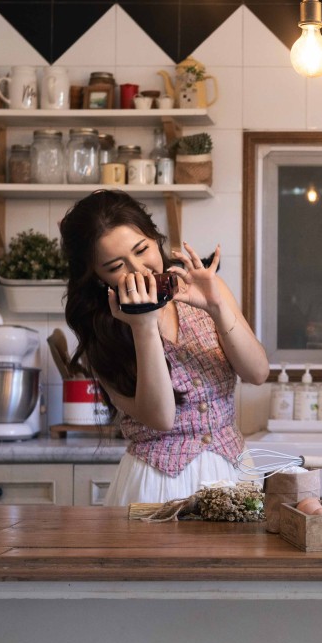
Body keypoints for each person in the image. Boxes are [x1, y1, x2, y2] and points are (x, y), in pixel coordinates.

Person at [59, 190, 270, 506]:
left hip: (233, 474)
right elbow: (160, 418)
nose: (138, 269)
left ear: (155, 237)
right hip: (157, 485)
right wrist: (143, 326)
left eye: (142, 249)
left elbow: (257, 373)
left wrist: (216, 307)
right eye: (116, 266)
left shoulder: (203, 286)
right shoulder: (101, 331)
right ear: (99, 277)